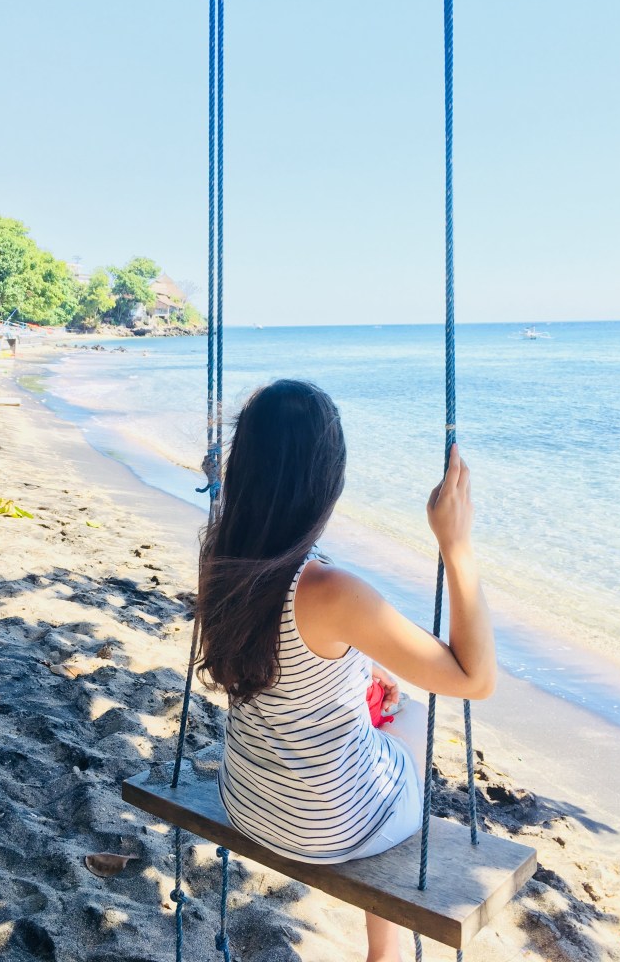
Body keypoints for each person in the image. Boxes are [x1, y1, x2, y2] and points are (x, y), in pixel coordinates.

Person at [197, 380, 495, 962]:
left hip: (248, 800)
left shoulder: (222, 555)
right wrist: (456, 544)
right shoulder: (331, 590)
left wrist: (363, 667)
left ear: (244, 467)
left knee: (373, 715)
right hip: (326, 827)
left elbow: (288, 652)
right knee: (410, 721)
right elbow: (475, 680)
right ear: (328, 481)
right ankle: (385, 948)